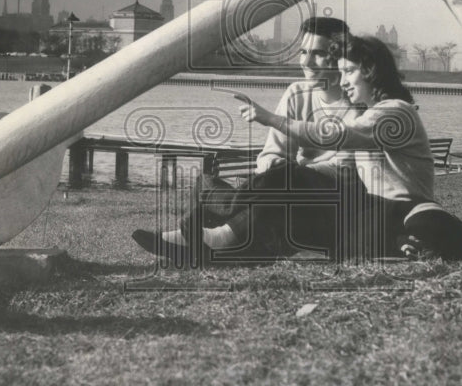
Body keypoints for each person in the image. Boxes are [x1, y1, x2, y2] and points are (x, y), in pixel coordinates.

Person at [131, 16, 357, 260]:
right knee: (206, 183)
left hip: (329, 203)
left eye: (318, 53)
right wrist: (272, 163)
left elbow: (347, 171)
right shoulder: (296, 93)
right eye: (303, 52)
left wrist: (293, 171)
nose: (306, 62)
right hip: (286, 192)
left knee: (284, 178)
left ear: (339, 56)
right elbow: (272, 152)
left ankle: (215, 236)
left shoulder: (356, 101)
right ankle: (224, 237)